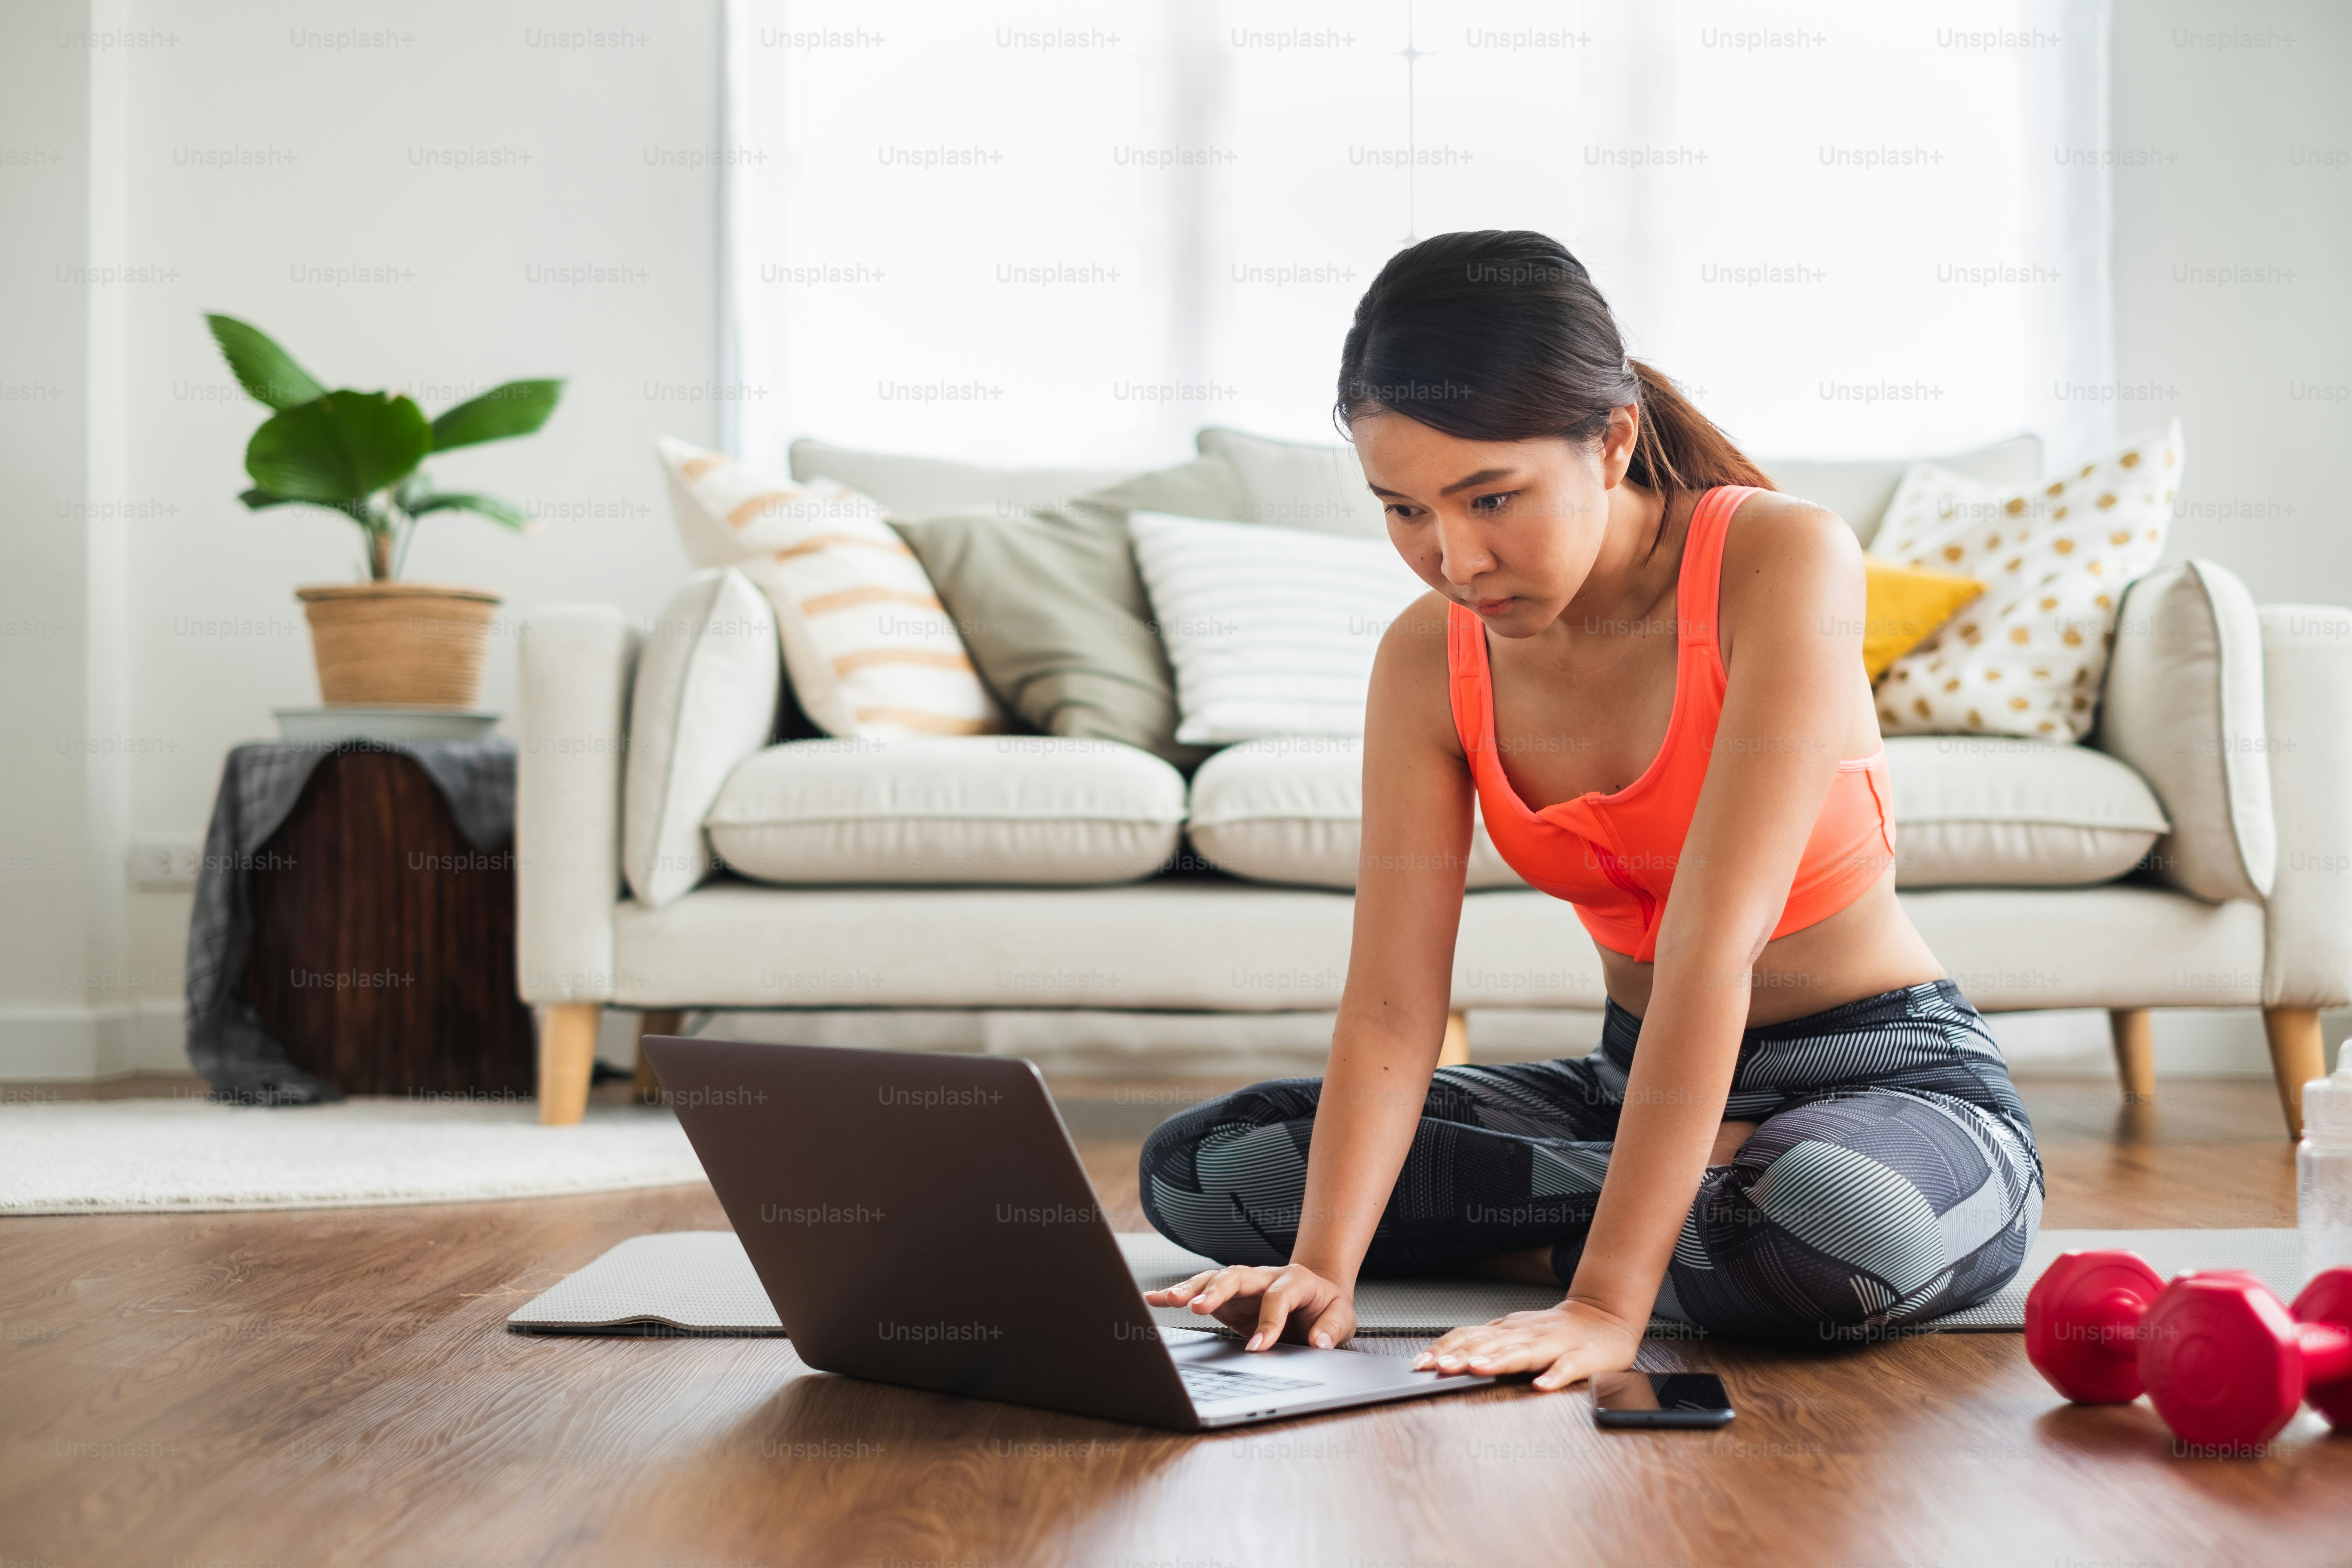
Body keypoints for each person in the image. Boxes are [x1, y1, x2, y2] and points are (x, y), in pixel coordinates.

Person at [1139, 230, 2043, 1391]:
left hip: (1884, 1079)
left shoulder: (1783, 559)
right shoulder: (1426, 658)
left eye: (1492, 497)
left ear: (1611, 441)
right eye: (1405, 511)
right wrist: (1324, 1266)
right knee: (1208, 1166)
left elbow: (1709, 957)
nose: (1455, 559)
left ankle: (1652, 1217)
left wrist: (1606, 1306)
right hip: (1632, 1091)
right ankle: (1692, 1200)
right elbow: (1391, 1002)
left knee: (1843, 1223)